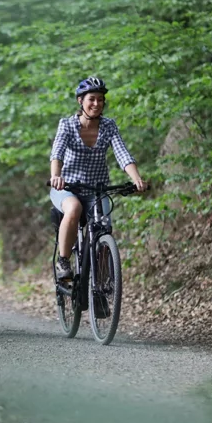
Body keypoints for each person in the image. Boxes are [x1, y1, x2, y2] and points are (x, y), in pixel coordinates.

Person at [48, 76, 147, 281]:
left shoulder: (108, 126)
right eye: (91, 99)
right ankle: (64, 261)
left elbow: (122, 154)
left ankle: (101, 287)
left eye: (100, 100)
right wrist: (56, 176)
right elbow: (56, 154)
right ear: (80, 101)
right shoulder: (67, 125)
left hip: (97, 190)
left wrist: (137, 178)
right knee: (74, 209)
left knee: (103, 230)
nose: (96, 104)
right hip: (67, 187)